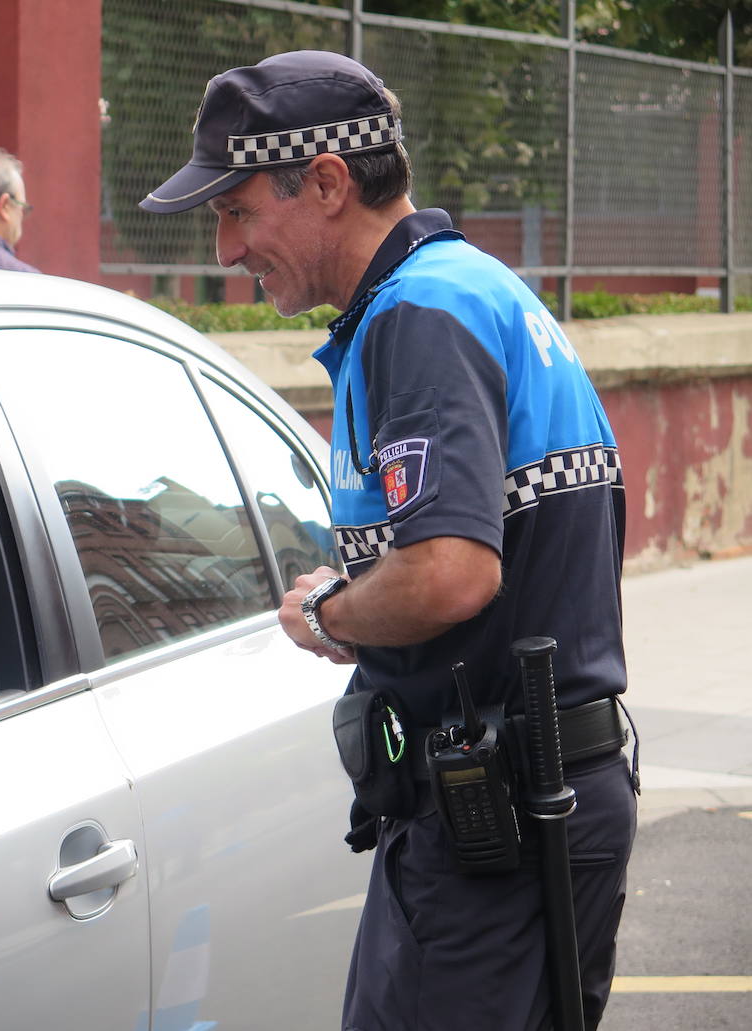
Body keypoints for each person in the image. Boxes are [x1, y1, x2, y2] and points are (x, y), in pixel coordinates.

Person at [141, 51, 635, 1031]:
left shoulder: (418, 315)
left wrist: (332, 611)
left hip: (493, 821)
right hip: (543, 796)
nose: (230, 250)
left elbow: (451, 572)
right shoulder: (477, 291)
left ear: (325, 182)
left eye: (237, 212)